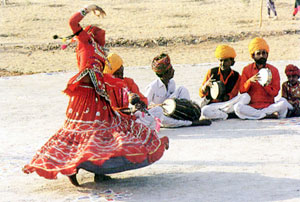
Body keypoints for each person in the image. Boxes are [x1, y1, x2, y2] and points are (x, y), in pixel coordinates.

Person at [22, 4, 169, 187]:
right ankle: (74, 168)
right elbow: (72, 22)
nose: (102, 35)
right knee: (82, 132)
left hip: (100, 96)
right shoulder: (85, 42)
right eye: (99, 33)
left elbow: (105, 75)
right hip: (86, 96)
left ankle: (100, 171)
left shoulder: (99, 49)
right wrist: (89, 8)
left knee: (104, 133)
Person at [145, 53, 211, 127]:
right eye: (170, 70)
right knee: (163, 120)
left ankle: (188, 115)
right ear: (164, 74)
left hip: (172, 112)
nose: (173, 71)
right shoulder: (152, 87)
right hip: (162, 113)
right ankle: (191, 123)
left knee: (182, 89)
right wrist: (159, 106)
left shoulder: (172, 83)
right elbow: (144, 107)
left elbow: (175, 100)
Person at [234, 37, 289, 120]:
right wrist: (250, 81)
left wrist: (265, 84)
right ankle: (264, 115)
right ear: (253, 56)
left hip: (269, 106)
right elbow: (242, 91)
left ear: (267, 54)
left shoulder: (273, 70)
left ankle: (259, 115)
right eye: (258, 54)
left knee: (283, 104)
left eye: (264, 53)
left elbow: (275, 93)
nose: (261, 56)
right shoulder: (247, 69)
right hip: (252, 107)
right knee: (237, 107)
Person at [103, 52, 158, 130]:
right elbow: (110, 110)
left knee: (158, 111)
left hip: (131, 116)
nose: (121, 70)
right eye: (118, 70)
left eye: (121, 67)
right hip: (115, 118)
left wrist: (140, 104)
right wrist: (130, 110)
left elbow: (143, 100)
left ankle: (137, 127)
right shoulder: (106, 86)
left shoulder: (128, 82)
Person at [199, 45, 241, 120]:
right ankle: (226, 115)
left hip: (226, 104)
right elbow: (201, 94)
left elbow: (233, 94)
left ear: (232, 62)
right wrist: (205, 86)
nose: (222, 63)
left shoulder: (236, 76)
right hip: (212, 105)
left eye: (225, 61)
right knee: (204, 111)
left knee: (244, 97)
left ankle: (222, 113)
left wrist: (224, 97)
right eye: (221, 60)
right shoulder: (211, 72)